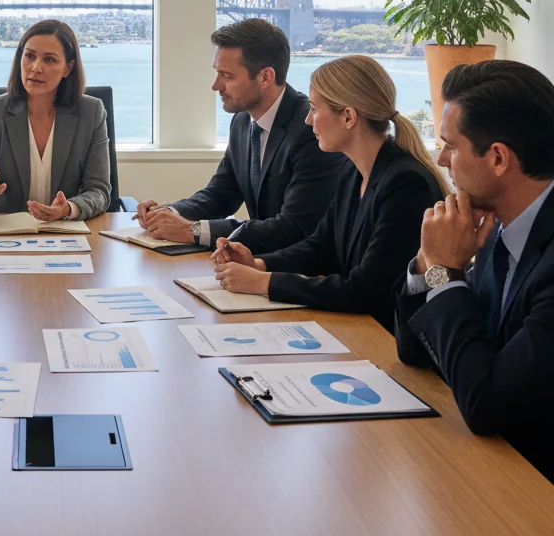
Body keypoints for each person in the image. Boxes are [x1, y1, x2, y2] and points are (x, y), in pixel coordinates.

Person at [395, 60, 554, 482]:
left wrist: (447, 273)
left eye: (450, 145)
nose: (441, 158)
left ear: (498, 157)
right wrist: (429, 263)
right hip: (495, 465)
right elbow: (414, 351)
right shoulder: (493, 223)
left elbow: (488, 406)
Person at [212, 54, 446, 331]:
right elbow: (320, 246)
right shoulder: (353, 171)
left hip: (386, 340)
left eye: (314, 109)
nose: (308, 121)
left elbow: (366, 289)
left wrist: (264, 283)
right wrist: (259, 264)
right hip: (356, 328)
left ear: (348, 117)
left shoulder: (406, 184)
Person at [135, 19, 342, 253]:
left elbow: (294, 227)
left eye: (227, 76)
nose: (215, 85)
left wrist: (193, 230)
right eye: (217, 73)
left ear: (265, 77)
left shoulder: (310, 128)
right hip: (257, 263)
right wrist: (167, 214)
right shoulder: (242, 121)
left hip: (302, 271)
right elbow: (221, 194)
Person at [0, 19, 110, 220]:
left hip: (65, 235)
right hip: (5, 238)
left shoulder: (91, 112)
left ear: (68, 68)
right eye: (29, 56)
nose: (36, 67)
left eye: (49, 60)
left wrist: (68, 209)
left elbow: (99, 191)